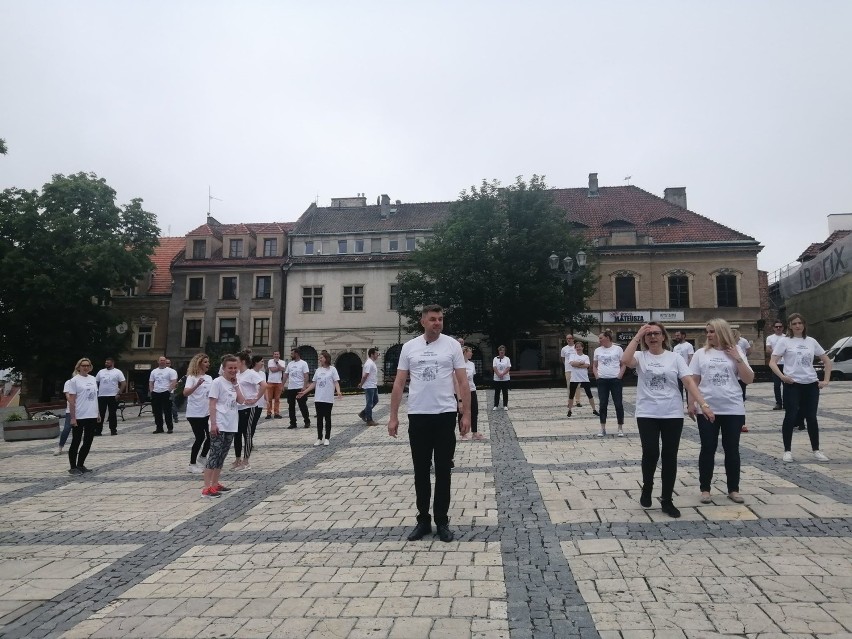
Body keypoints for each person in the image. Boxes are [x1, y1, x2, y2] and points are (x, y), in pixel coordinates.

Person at [388, 304, 470, 543]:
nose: (437, 323)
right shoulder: (409, 347)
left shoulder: (452, 345)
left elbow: (463, 383)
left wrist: (465, 414)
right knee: (420, 471)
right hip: (418, 414)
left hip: (444, 414)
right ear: (423, 321)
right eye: (433, 319)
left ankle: (442, 520)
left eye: (441, 319)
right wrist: (393, 416)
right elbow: (399, 383)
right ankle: (423, 519)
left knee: (444, 470)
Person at [622, 323, 712, 518]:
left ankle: (667, 499)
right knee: (651, 452)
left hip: (671, 413)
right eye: (649, 334)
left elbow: (688, 381)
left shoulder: (675, 358)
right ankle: (647, 487)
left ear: (664, 336)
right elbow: (625, 359)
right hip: (647, 413)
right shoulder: (640, 357)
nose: (652, 337)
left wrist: (702, 404)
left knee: (670, 456)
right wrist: (638, 335)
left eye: (656, 333)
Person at [689, 319, 754, 505]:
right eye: (707, 331)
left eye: (712, 331)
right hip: (707, 407)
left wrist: (737, 357)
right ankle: (705, 489)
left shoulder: (736, 351)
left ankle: (733, 489)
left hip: (732, 407)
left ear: (722, 332)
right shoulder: (700, 354)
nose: (708, 335)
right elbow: (693, 380)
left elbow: (748, 379)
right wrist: (690, 403)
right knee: (708, 448)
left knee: (732, 449)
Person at [768, 313, 832, 463]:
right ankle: (787, 450)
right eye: (794, 323)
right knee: (790, 416)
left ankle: (816, 449)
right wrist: (782, 376)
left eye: (800, 323)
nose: (798, 326)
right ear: (789, 325)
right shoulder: (785, 341)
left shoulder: (811, 341)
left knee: (811, 417)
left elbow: (827, 361)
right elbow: (772, 362)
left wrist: (826, 380)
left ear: (804, 325)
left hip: (810, 383)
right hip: (793, 384)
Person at [202, 354, 246, 498]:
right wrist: (213, 423)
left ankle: (215, 483)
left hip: (231, 423)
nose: (233, 370)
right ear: (224, 368)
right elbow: (212, 403)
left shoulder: (234, 383)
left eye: (235, 368)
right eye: (230, 368)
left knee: (222, 455)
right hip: (219, 423)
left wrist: (236, 384)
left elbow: (241, 400)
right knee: (214, 454)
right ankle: (206, 487)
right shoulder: (217, 382)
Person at [298, 350, 342, 446]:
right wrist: (304, 392)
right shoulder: (318, 370)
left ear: (326, 358)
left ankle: (327, 438)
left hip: (328, 398)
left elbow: (336, 382)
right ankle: (319, 437)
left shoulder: (332, 369)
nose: (320, 359)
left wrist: (338, 391)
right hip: (318, 398)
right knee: (319, 418)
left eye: (321, 357)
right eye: (319, 358)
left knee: (327, 418)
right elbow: (314, 384)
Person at [66, 357, 101, 475]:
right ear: (79, 367)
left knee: (88, 441)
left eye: (87, 365)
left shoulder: (93, 379)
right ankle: (73, 466)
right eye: (83, 365)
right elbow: (72, 400)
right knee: (76, 441)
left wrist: (98, 413)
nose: (85, 367)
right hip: (79, 415)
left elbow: (95, 397)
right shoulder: (74, 381)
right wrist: (73, 417)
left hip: (91, 414)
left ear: (90, 367)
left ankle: (81, 464)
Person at [233, 353, 266, 471]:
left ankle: (246, 461)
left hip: (249, 407)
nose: (234, 363)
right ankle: (237, 459)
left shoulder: (251, 373)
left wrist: (256, 398)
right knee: (236, 434)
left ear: (242, 361)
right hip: (238, 407)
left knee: (247, 433)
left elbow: (263, 385)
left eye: (236, 360)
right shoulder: (237, 374)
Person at [183, 353, 213, 474]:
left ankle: (202, 457)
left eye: (208, 362)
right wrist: (197, 385)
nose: (208, 364)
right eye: (205, 362)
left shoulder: (209, 378)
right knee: (200, 438)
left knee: (211, 436)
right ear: (199, 363)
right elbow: (186, 393)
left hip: (207, 412)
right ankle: (192, 464)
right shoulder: (191, 377)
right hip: (194, 413)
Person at [592, 330, 626, 437]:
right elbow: (594, 365)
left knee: (618, 404)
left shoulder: (618, 349)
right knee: (603, 404)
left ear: (607, 337)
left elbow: (623, 364)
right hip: (602, 380)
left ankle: (620, 427)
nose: (599, 340)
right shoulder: (597, 350)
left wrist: (620, 375)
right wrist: (597, 376)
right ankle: (602, 428)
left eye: (601, 338)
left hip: (615, 380)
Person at [95, 358, 126, 436]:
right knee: (100, 413)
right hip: (102, 395)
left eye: (108, 362)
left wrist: (119, 393)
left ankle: (113, 430)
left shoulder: (118, 372)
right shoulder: (101, 372)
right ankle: (98, 430)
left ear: (112, 363)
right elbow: (96, 382)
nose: (106, 363)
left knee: (112, 413)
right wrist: (96, 391)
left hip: (113, 395)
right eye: (105, 362)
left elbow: (123, 383)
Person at [566, 342, 597, 417]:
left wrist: (578, 365)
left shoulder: (586, 356)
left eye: (580, 347)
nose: (578, 348)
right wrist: (581, 363)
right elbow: (572, 364)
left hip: (584, 378)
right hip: (574, 378)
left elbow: (587, 365)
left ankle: (594, 410)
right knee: (571, 395)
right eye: (577, 347)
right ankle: (569, 410)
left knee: (589, 394)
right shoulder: (572, 355)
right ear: (575, 348)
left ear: (582, 347)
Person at [457, 345, 482, 440]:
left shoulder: (471, 364)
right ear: (465, 353)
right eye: (470, 352)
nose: (471, 353)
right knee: (462, 411)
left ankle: (474, 432)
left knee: (474, 410)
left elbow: (472, 378)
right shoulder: (459, 364)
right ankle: (462, 433)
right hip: (462, 390)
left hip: (471, 389)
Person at [283, 348, 311, 429]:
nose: (291, 355)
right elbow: (285, 375)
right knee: (291, 406)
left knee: (302, 405)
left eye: (292, 353)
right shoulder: (290, 364)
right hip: (291, 387)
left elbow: (306, 375)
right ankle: (293, 423)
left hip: (300, 387)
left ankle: (307, 421)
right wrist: (282, 385)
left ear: (297, 354)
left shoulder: (303, 363)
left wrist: (304, 386)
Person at [149, 356, 177, 434]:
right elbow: (151, 382)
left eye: (164, 360)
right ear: (158, 361)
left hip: (165, 392)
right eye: (161, 360)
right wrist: (152, 391)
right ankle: (159, 427)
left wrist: (169, 391)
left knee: (167, 411)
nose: (162, 362)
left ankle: (169, 427)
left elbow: (174, 381)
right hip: (156, 392)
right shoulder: (154, 371)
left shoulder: (171, 371)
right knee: (157, 412)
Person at [53, 375, 76, 456]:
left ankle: (75, 448)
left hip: (82, 410)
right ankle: (60, 447)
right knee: (66, 429)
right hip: (71, 410)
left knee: (78, 431)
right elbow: (68, 396)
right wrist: (73, 404)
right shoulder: (69, 382)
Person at [357, 347, 381, 426]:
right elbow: (365, 376)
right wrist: (361, 384)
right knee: (369, 403)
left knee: (375, 400)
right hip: (369, 386)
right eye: (376, 354)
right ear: (372, 354)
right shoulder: (369, 363)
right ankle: (369, 420)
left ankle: (363, 413)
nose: (378, 355)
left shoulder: (372, 363)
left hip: (373, 385)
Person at [766, 320, 786, 410]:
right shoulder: (770, 338)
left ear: (783, 328)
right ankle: (779, 403)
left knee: (786, 385)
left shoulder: (786, 337)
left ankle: (786, 402)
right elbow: (768, 349)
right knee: (776, 385)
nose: (778, 328)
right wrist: (777, 353)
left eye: (780, 327)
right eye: (776, 327)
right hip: (775, 364)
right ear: (774, 328)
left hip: (785, 364)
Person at [560, 334, 581, 412]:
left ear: (573, 339)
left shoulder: (577, 347)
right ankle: (570, 401)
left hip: (577, 369)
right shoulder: (564, 349)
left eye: (570, 338)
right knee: (569, 386)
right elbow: (563, 359)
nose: (568, 340)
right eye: (567, 339)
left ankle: (578, 401)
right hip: (568, 369)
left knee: (578, 386)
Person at [672, 331, 694, 405]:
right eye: (676, 335)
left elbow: (690, 357)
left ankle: (689, 404)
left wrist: (690, 370)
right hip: (677, 372)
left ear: (683, 335)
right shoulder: (675, 347)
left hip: (686, 371)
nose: (676, 337)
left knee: (688, 389)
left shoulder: (688, 345)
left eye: (678, 335)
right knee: (678, 389)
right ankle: (679, 405)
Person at [732, 330, 751, 403]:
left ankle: (742, 398)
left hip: (741, 361)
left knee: (742, 384)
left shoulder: (743, 341)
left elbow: (748, 350)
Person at [265, 351, 285, 419]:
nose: (276, 355)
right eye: (275, 354)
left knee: (277, 399)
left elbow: (282, 369)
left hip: (279, 382)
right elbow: (272, 370)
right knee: (269, 399)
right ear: (273, 355)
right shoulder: (270, 361)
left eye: (277, 354)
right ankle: (268, 413)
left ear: (279, 355)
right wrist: (279, 368)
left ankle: (276, 413)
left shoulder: (282, 361)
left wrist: (277, 363)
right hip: (270, 382)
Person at [492, 345, 511, 411]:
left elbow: (508, 367)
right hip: (497, 378)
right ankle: (496, 405)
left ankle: (505, 405)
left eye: (503, 351)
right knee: (497, 392)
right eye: (500, 351)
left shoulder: (507, 359)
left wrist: (502, 374)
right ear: (499, 351)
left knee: (505, 392)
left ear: (505, 352)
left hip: (505, 378)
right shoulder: (495, 359)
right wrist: (498, 374)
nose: (502, 352)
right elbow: (494, 367)